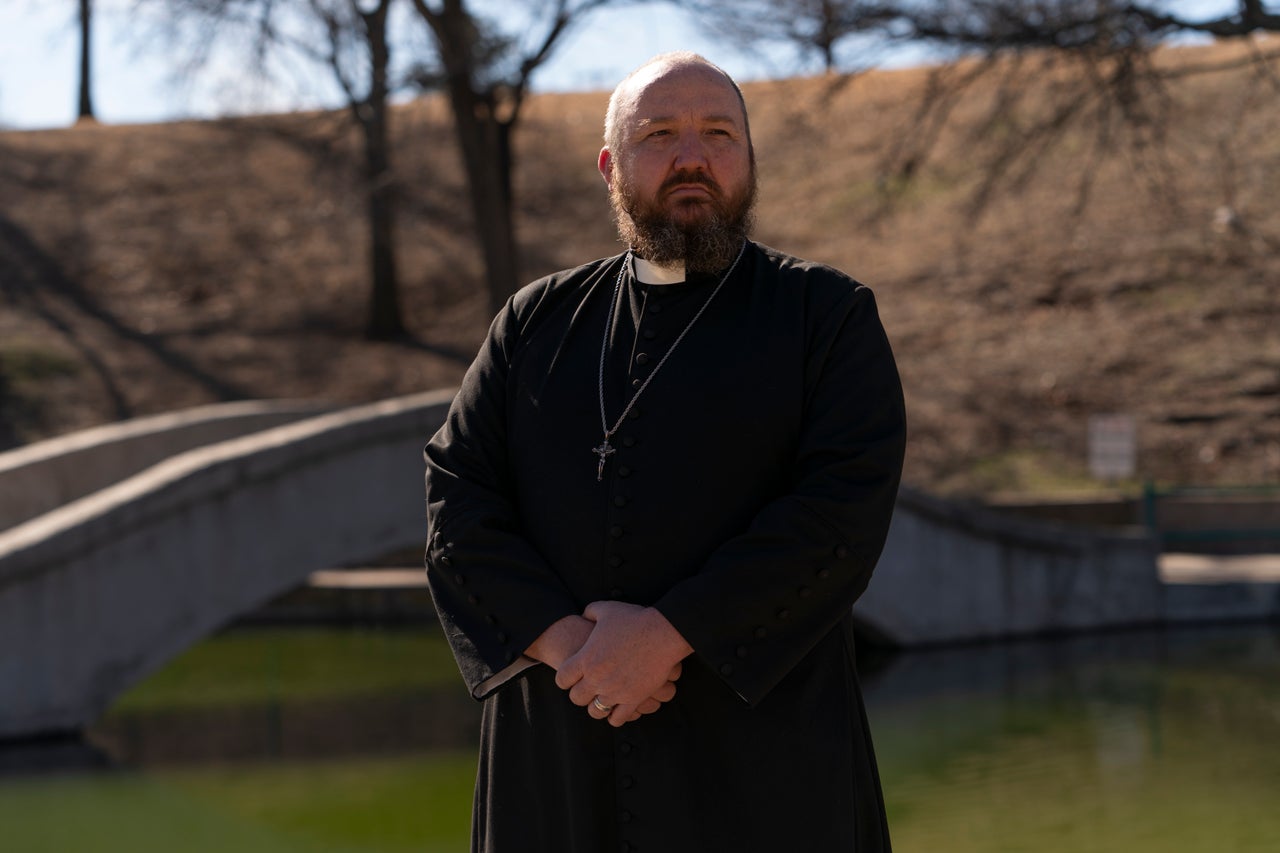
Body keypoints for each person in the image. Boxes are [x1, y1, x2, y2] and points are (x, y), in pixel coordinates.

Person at [424, 51, 906, 853]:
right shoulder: (534, 321)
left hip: (761, 762)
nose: (693, 156)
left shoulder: (827, 316)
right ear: (611, 168)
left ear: (748, 160)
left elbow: (839, 519)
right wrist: (570, 648)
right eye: (660, 134)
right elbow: (455, 502)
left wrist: (669, 634)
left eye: (719, 133)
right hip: (557, 752)